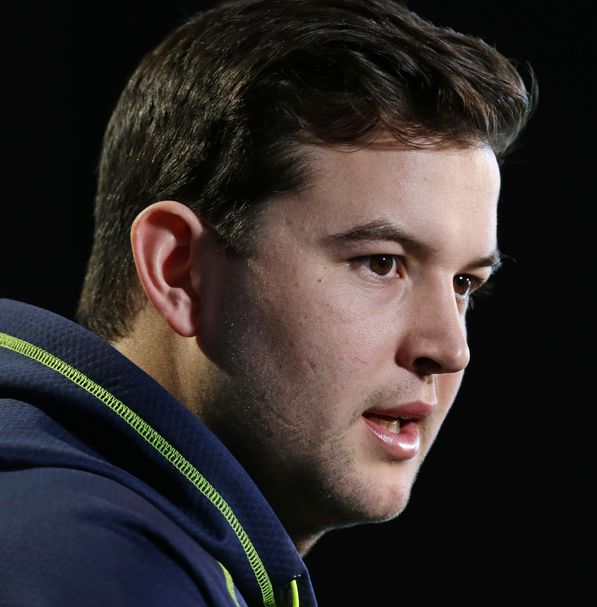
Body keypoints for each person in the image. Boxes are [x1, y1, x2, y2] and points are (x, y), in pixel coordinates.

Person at [0, 0, 534, 605]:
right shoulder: (96, 571)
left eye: (465, 283)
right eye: (381, 263)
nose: (449, 348)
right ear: (180, 271)